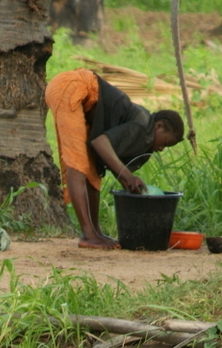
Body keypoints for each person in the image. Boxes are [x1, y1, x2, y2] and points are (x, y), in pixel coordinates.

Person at [45, 68, 185, 249]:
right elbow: (101, 142)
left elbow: (104, 151)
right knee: (77, 163)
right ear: (158, 126)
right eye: (164, 143)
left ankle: (95, 232)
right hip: (72, 86)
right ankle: (88, 235)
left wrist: (125, 180)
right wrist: (127, 176)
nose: (160, 149)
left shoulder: (143, 123)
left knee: (93, 172)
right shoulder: (143, 125)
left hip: (79, 97)